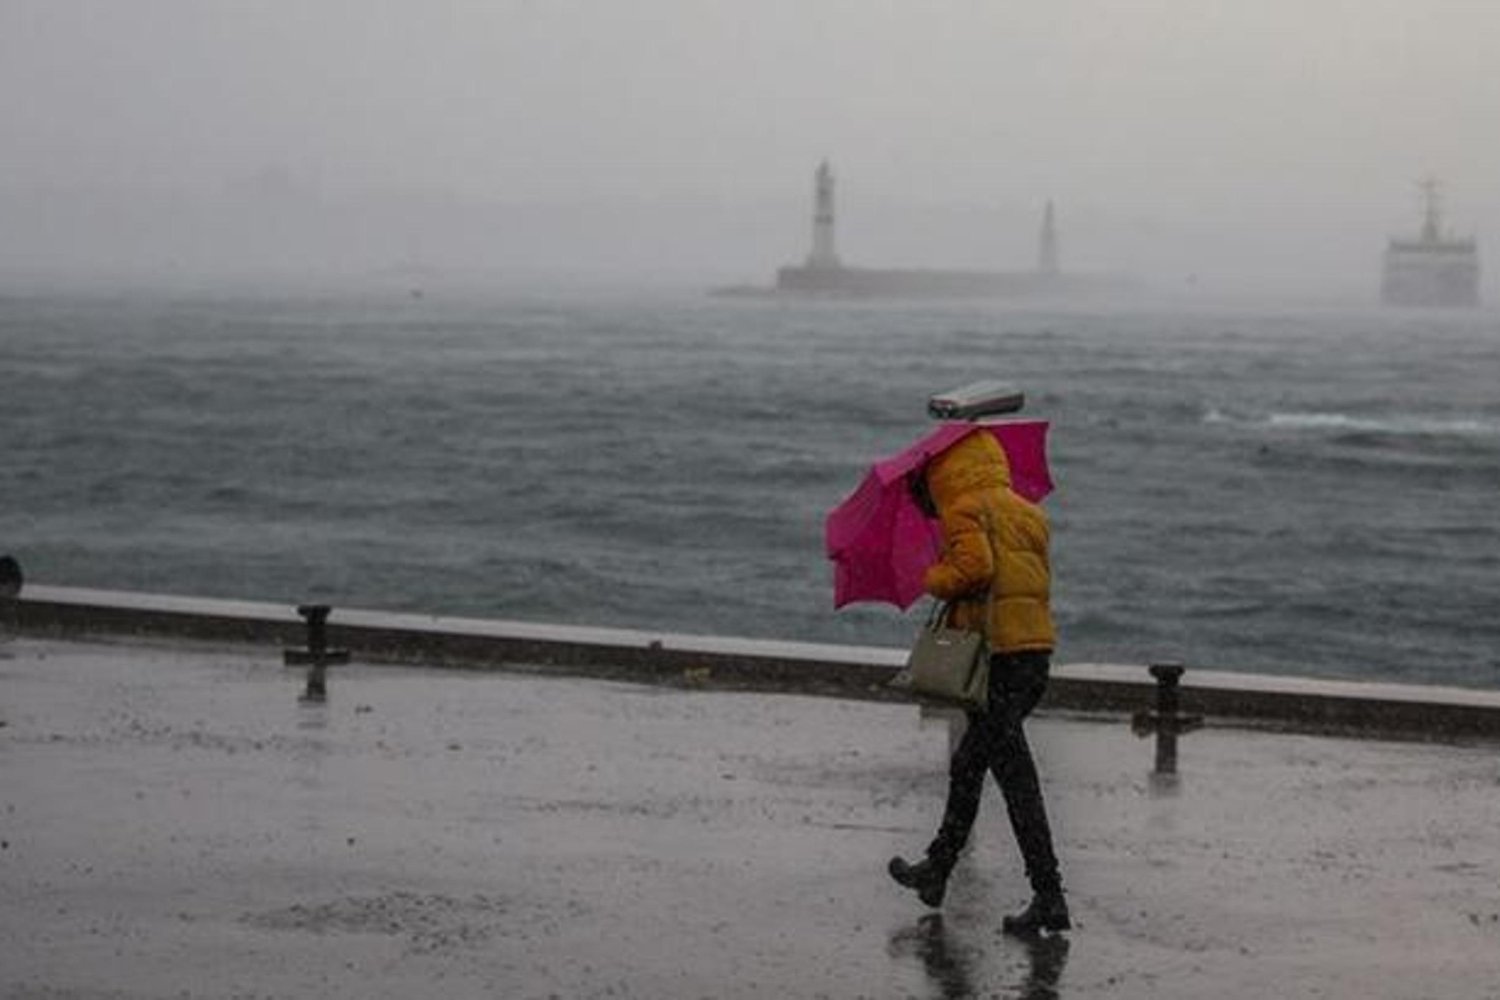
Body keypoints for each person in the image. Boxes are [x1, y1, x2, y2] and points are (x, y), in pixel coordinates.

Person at [888, 429, 1070, 934]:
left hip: (996, 661)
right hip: (1032, 654)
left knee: (996, 773)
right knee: (985, 768)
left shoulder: (965, 509)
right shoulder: (1028, 512)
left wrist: (935, 578)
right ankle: (941, 870)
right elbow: (1022, 578)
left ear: (945, 472)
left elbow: (976, 568)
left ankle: (1046, 894)